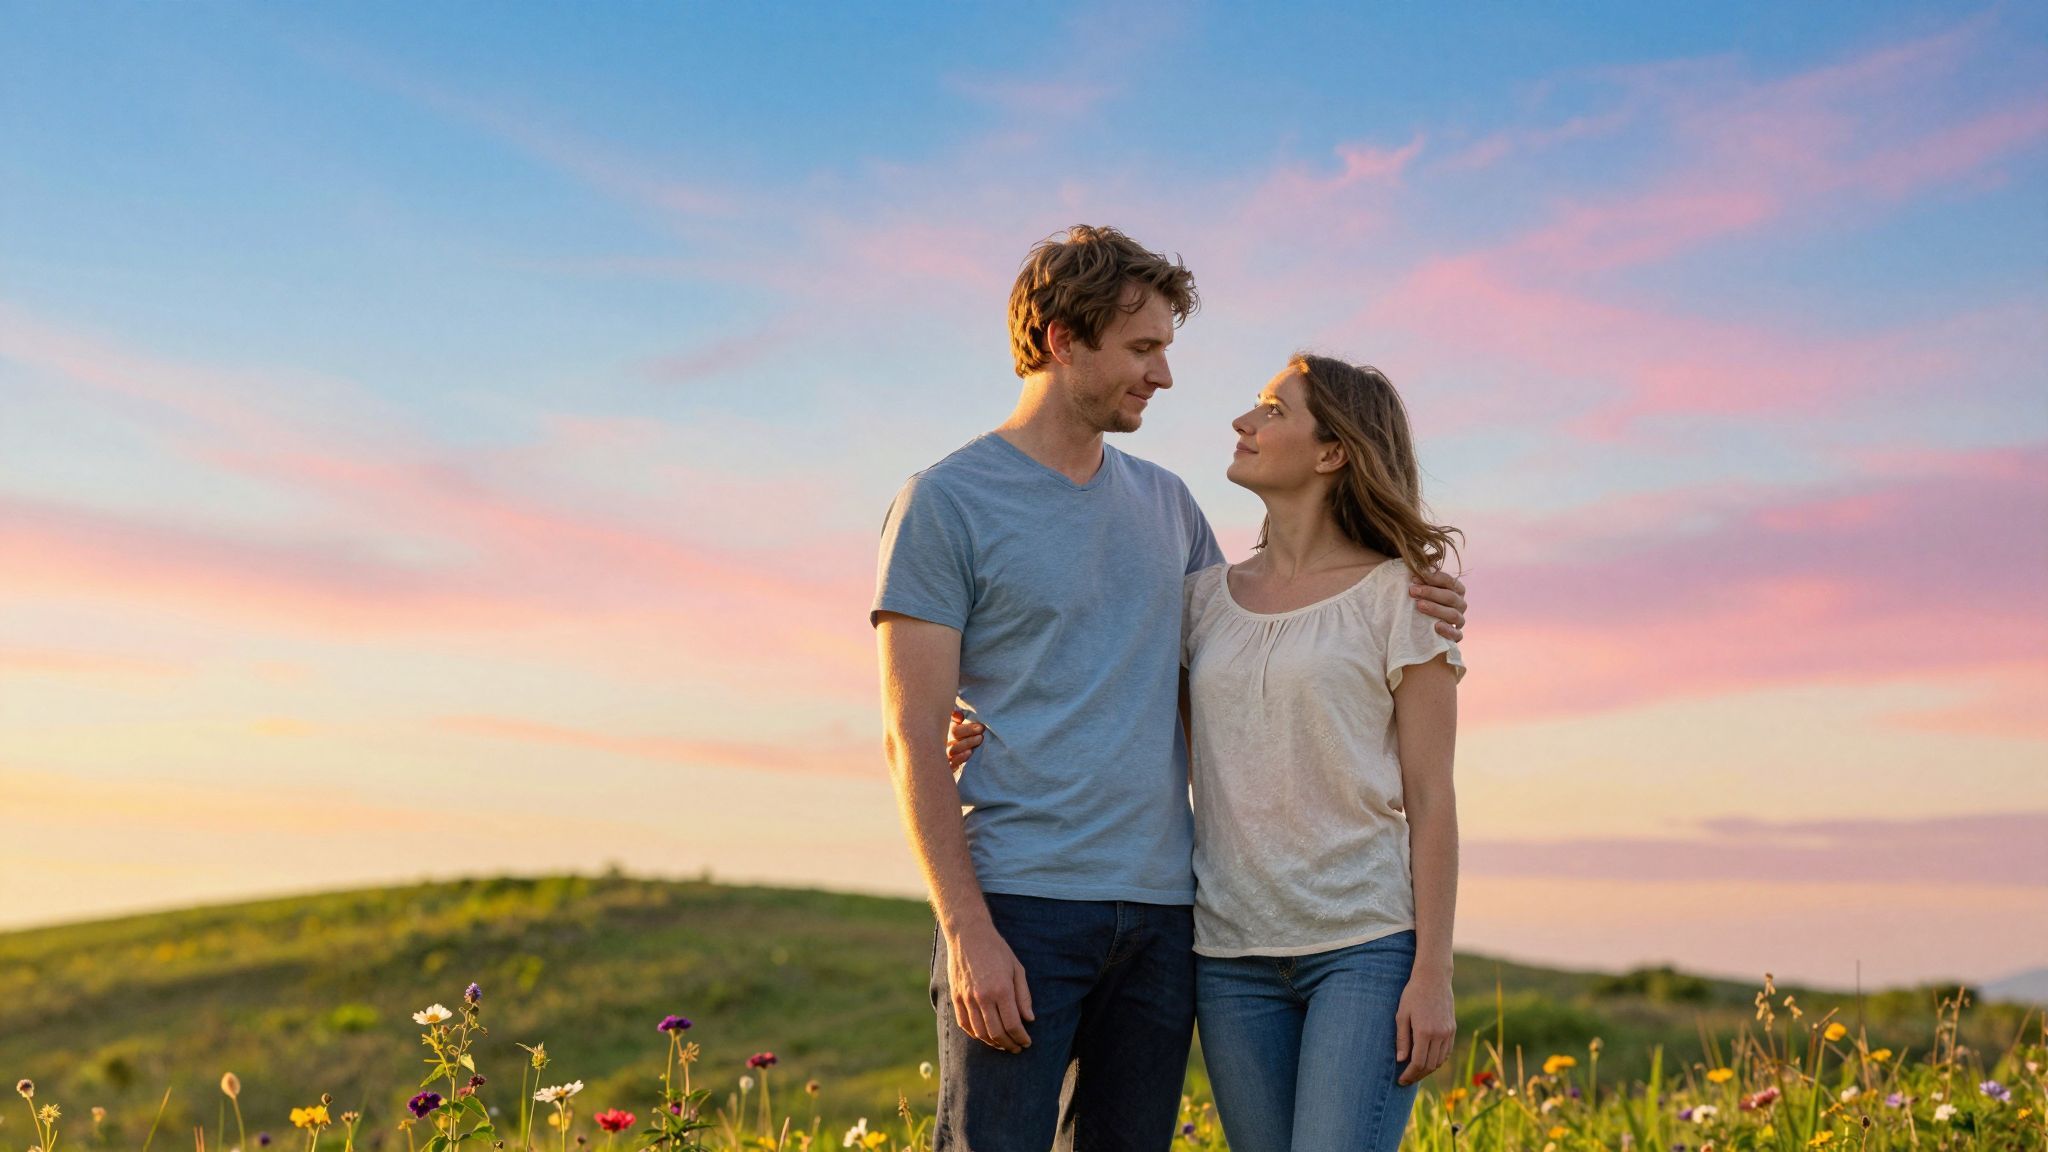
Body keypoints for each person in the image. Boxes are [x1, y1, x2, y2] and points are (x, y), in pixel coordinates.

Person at [873, 226, 1467, 1151]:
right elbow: (909, 733)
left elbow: (1260, 652)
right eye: (1143, 348)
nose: (1165, 375)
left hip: (1164, 923)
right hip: (1022, 907)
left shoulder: (1170, 509)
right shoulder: (946, 502)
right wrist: (965, 929)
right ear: (1065, 340)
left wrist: (1413, 583)